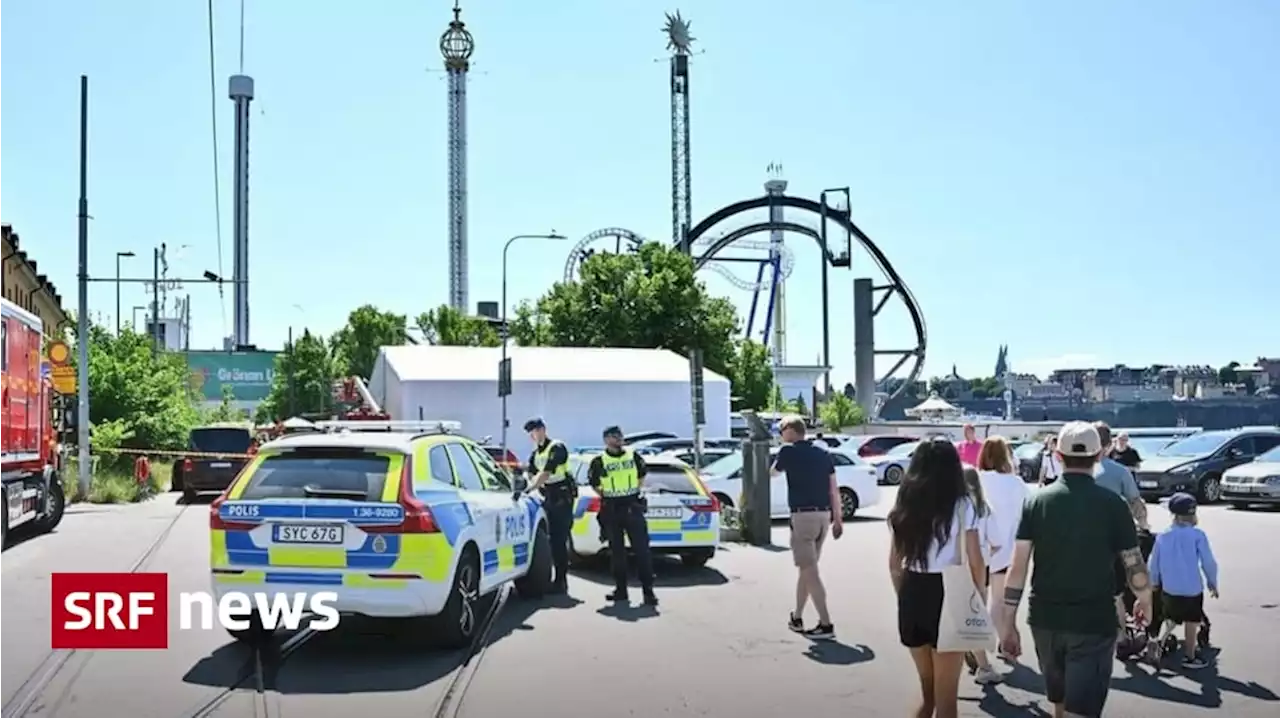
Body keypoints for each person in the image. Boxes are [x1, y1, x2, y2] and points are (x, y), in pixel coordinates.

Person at [999, 422, 1153, 718]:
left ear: (1057, 455)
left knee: (1059, 704)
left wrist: (1008, 623)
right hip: (1093, 621)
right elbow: (1133, 562)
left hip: (1045, 619)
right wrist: (1144, 597)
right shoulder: (1114, 505)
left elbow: (1017, 568)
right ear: (1099, 456)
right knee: (1081, 711)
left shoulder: (1036, 502)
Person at [888, 438, 986, 718]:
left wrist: (904, 596)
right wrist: (976, 599)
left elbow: (894, 563)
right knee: (947, 701)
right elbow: (976, 560)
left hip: (912, 590)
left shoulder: (905, 503)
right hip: (949, 593)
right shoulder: (963, 504)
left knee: (927, 696)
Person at [772, 414, 842, 639]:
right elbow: (834, 489)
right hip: (823, 517)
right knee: (807, 569)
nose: (781, 435)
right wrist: (838, 519)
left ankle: (826, 623)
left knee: (810, 570)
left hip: (803, 518)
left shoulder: (788, 451)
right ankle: (798, 616)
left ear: (791, 431)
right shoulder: (823, 454)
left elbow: (772, 473)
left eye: (782, 431)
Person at [586, 426, 658, 606]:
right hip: (612, 508)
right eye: (614, 437)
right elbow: (594, 483)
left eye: (619, 436)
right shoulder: (599, 461)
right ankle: (621, 590)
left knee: (642, 551)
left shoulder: (632, 456)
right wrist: (608, 494)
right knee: (617, 553)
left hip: (632, 505)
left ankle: (648, 592)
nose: (618, 439)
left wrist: (631, 491)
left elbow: (642, 475)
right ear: (606, 440)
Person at [1148, 493, 1218, 669]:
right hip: (1192, 588)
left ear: (1174, 515)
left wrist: (1154, 581)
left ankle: (1160, 642)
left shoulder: (1163, 536)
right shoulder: (1197, 535)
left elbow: (1153, 562)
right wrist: (1212, 581)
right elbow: (1208, 561)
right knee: (1191, 622)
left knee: (1171, 616)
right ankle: (1190, 656)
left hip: (1170, 588)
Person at [975, 436, 1029, 666]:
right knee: (999, 602)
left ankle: (977, 647)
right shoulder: (1017, 484)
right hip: (1006, 551)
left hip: (976, 550)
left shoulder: (974, 480)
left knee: (976, 601)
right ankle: (1004, 642)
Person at [1091, 421, 1150, 630]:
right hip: (1112, 538)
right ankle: (1121, 636)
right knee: (1116, 591)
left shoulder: (1073, 471)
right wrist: (1144, 526)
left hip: (1080, 538)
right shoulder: (1120, 471)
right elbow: (1136, 503)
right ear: (1109, 445)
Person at [523, 418, 574, 594]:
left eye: (535, 430)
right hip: (548, 497)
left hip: (562, 497)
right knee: (550, 541)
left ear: (543, 429)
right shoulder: (535, 454)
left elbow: (545, 473)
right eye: (531, 432)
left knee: (559, 540)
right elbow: (530, 471)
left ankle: (561, 581)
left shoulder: (557, 447)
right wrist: (532, 482)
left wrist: (530, 488)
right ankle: (553, 579)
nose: (533, 435)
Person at [961, 466, 1002, 684]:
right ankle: (983, 666)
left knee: (967, 615)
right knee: (976, 617)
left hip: (957, 567)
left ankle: (973, 653)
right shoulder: (984, 509)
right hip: (980, 566)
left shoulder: (953, 507)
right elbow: (997, 542)